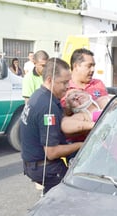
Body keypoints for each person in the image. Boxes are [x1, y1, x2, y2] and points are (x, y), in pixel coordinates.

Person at [20, 57, 83, 193]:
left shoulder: (39, 95)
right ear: (49, 80)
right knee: (76, 189)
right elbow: (52, 152)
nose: (67, 87)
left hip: (32, 163)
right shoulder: (47, 107)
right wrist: (81, 145)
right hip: (45, 167)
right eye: (64, 83)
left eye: (69, 82)